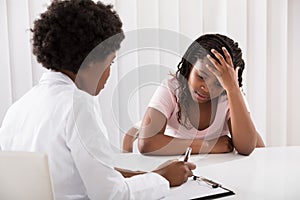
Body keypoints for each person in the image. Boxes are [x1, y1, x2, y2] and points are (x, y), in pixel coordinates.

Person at [0, 0, 196, 199]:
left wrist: (144, 175)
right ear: (92, 61)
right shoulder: (78, 105)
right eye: (110, 61)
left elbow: (77, 175)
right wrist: (162, 178)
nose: (109, 73)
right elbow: (111, 195)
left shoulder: (19, 107)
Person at [136, 33, 265, 156]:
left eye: (219, 84)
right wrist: (208, 146)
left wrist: (233, 89)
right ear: (190, 66)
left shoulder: (230, 93)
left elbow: (246, 147)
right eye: (202, 76)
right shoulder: (172, 89)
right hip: (177, 167)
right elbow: (147, 143)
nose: (207, 89)